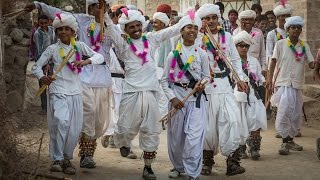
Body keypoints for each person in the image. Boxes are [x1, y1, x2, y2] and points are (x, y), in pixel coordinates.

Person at [25, 0, 121, 168]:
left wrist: (106, 19)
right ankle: (84, 155)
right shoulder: (81, 20)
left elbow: (121, 45)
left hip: (103, 79)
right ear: (90, 8)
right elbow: (58, 14)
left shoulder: (111, 27)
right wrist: (38, 5)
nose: (99, 9)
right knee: (86, 115)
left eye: (103, 6)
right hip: (81, 78)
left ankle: (80, 151)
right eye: (96, 5)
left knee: (99, 122)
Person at [104, 8, 181, 179]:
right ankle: (122, 142)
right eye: (131, 27)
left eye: (138, 25)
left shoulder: (151, 38)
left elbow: (171, 30)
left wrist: (192, 18)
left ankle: (148, 167)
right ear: (126, 29)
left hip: (151, 92)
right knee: (125, 127)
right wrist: (103, 13)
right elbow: (109, 28)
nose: (136, 29)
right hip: (131, 92)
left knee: (151, 130)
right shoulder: (123, 44)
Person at [31, 13, 103, 175]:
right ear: (56, 31)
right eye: (60, 29)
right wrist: (42, 77)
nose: (63, 32)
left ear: (73, 31)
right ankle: (56, 159)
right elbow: (36, 67)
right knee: (60, 122)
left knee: (73, 129)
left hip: (75, 92)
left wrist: (85, 61)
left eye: (66, 29)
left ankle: (67, 159)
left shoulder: (79, 46)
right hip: (58, 91)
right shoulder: (52, 49)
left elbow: (98, 56)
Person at [196, 3, 247, 176]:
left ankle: (232, 162)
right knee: (208, 127)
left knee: (231, 121)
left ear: (218, 19)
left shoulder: (227, 36)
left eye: (213, 18)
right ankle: (207, 161)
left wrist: (240, 78)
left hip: (225, 86)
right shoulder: (196, 37)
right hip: (206, 88)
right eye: (206, 18)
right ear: (201, 21)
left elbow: (235, 60)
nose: (210, 21)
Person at [161, 11, 209, 180]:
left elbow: (207, 76)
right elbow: (164, 80)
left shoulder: (201, 54)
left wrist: (201, 85)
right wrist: (172, 99)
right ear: (181, 30)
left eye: (196, 28)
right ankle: (178, 166)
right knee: (176, 138)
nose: (192, 31)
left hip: (195, 101)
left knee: (194, 138)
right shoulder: (172, 55)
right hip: (177, 100)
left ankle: (193, 172)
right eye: (189, 27)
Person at [268, 16, 315, 155]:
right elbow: (273, 62)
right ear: (287, 29)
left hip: (297, 85)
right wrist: (269, 80)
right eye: (293, 27)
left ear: (301, 30)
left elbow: (311, 64)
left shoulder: (304, 45)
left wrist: (317, 63)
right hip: (283, 83)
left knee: (295, 114)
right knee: (284, 112)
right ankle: (284, 143)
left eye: (298, 27)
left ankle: (290, 141)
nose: (296, 30)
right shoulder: (281, 44)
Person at [233, 31, 267, 160]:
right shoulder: (232, 62)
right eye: (241, 45)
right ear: (236, 46)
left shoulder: (254, 61)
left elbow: (259, 76)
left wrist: (264, 81)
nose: (243, 48)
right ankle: (241, 149)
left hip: (253, 95)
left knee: (256, 120)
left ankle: (254, 148)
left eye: (246, 46)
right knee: (239, 122)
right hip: (237, 96)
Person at [266, 2, 293, 137]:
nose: (285, 18)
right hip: (277, 69)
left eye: (288, 16)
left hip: (290, 70)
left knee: (290, 99)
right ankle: (279, 127)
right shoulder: (272, 34)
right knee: (278, 98)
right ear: (278, 18)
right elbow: (270, 53)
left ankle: (289, 127)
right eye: (282, 16)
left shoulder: (293, 33)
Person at [33, 14, 56, 114]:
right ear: (38, 23)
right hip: (41, 61)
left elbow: (55, 45)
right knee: (42, 84)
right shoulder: (37, 34)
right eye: (41, 23)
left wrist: (51, 62)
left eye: (45, 23)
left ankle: (52, 106)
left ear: (49, 22)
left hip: (52, 61)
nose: (43, 25)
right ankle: (44, 108)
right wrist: (45, 64)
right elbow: (39, 51)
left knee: (52, 83)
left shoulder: (52, 30)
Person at [234, 10, 266, 74]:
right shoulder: (236, 32)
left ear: (254, 21)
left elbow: (262, 53)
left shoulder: (258, 33)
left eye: (250, 20)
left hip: (256, 69)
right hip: (240, 69)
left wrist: (264, 69)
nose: (248, 22)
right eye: (245, 19)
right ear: (241, 21)